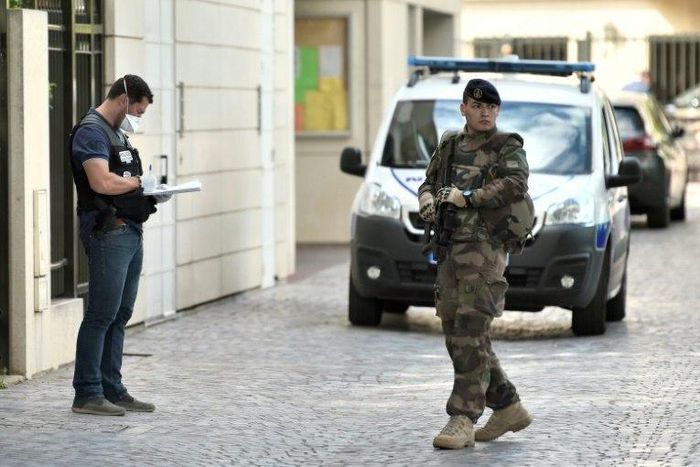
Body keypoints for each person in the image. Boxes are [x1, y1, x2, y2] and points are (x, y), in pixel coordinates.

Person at [418, 78, 533, 449]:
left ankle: (462, 417)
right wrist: (426, 200)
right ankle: (509, 407)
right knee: (459, 335)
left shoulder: (506, 145)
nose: (486, 112)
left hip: (484, 252)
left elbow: (517, 183)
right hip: (450, 249)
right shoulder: (451, 144)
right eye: (478, 106)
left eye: (492, 107)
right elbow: (428, 181)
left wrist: (469, 197)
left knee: (470, 330)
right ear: (463, 107)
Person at [69, 74, 171, 416]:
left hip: (129, 231)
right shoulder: (92, 131)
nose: (138, 118)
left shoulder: (117, 134)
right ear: (125, 99)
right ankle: (87, 392)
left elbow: (124, 182)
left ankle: (112, 388)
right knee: (101, 314)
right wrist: (141, 181)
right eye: (138, 111)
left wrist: (151, 190)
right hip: (107, 232)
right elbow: (101, 180)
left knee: (120, 314)